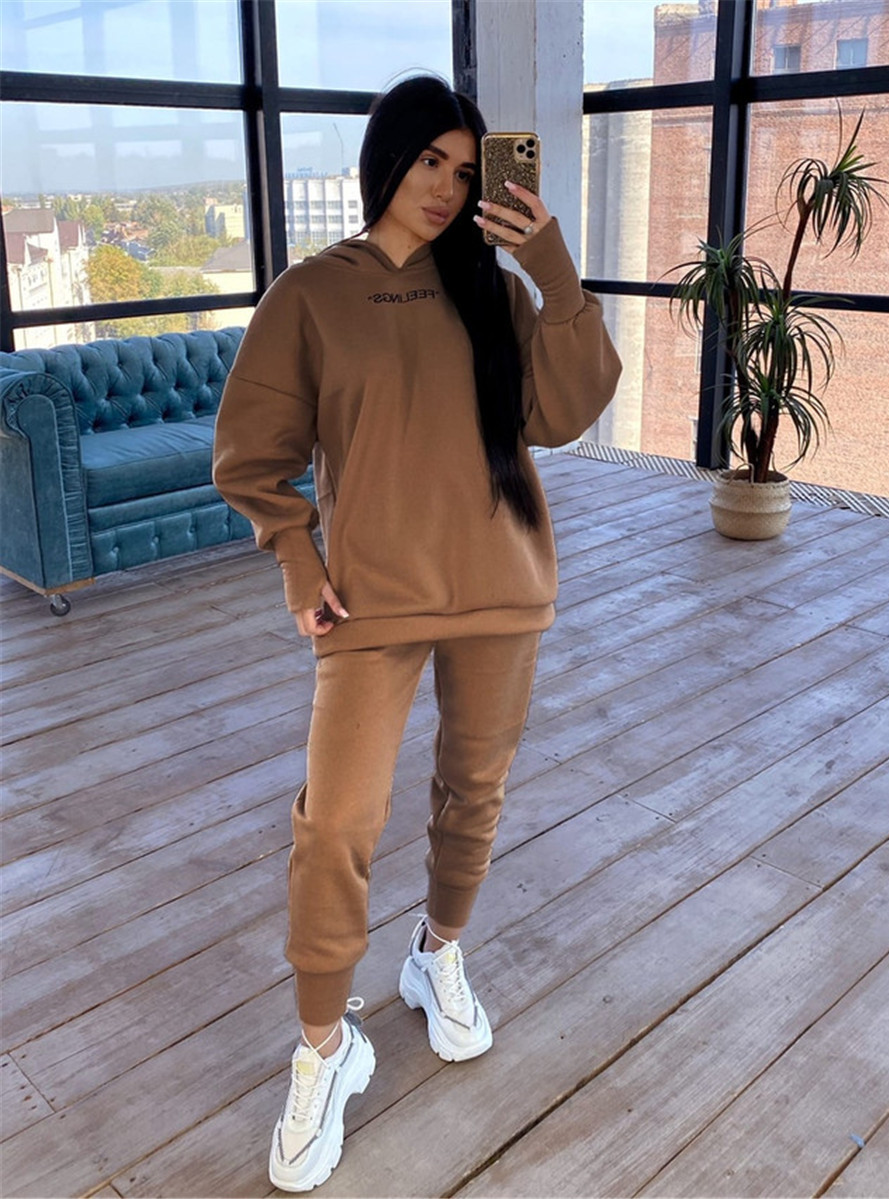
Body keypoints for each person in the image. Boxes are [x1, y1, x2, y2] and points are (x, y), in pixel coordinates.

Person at [213, 73, 622, 1193]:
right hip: (369, 602)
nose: (445, 186)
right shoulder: (311, 293)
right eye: (429, 160)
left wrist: (551, 269)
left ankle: (437, 950)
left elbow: (567, 411)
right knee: (335, 822)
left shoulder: (494, 292)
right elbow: (251, 455)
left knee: (473, 789)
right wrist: (298, 559)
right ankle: (323, 1045)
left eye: (465, 168)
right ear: (386, 158)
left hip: (501, 585)